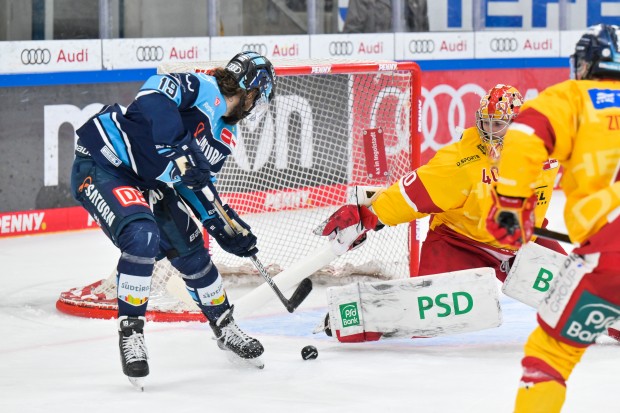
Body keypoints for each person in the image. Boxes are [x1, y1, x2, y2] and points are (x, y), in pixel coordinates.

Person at [70, 51, 276, 387]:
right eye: (257, 100)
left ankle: (224, 326)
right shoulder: (202, 86)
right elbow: (151, 97)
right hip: (105, 163)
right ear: (250, 91)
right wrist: (178, 146)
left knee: (193, 251)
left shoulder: (226, 136)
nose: (254, 109)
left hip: (150, 180)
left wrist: (224, 225)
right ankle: (131, 334)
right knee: (142, 235)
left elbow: (194, 184)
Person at [318, 84, 566, 339]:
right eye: (486, 123)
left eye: (498, 124)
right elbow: (412, 195)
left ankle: (612, 319)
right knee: (423, 317)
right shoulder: (462, 160)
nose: (489, 132)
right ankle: (356, 317)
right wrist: (371, 218)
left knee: (578, 297)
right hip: (461, 242)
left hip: (526, 242)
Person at [485, 24, 620, 413]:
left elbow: (526, 133)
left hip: (610, 253)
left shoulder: (573, 97)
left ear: (584, 64)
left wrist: (510, 203)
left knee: (549, 356)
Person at [342, 0, 429, 33]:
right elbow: (351, 36)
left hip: (413, 63)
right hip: (376, 64)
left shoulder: (419, 1)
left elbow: (424, 34)